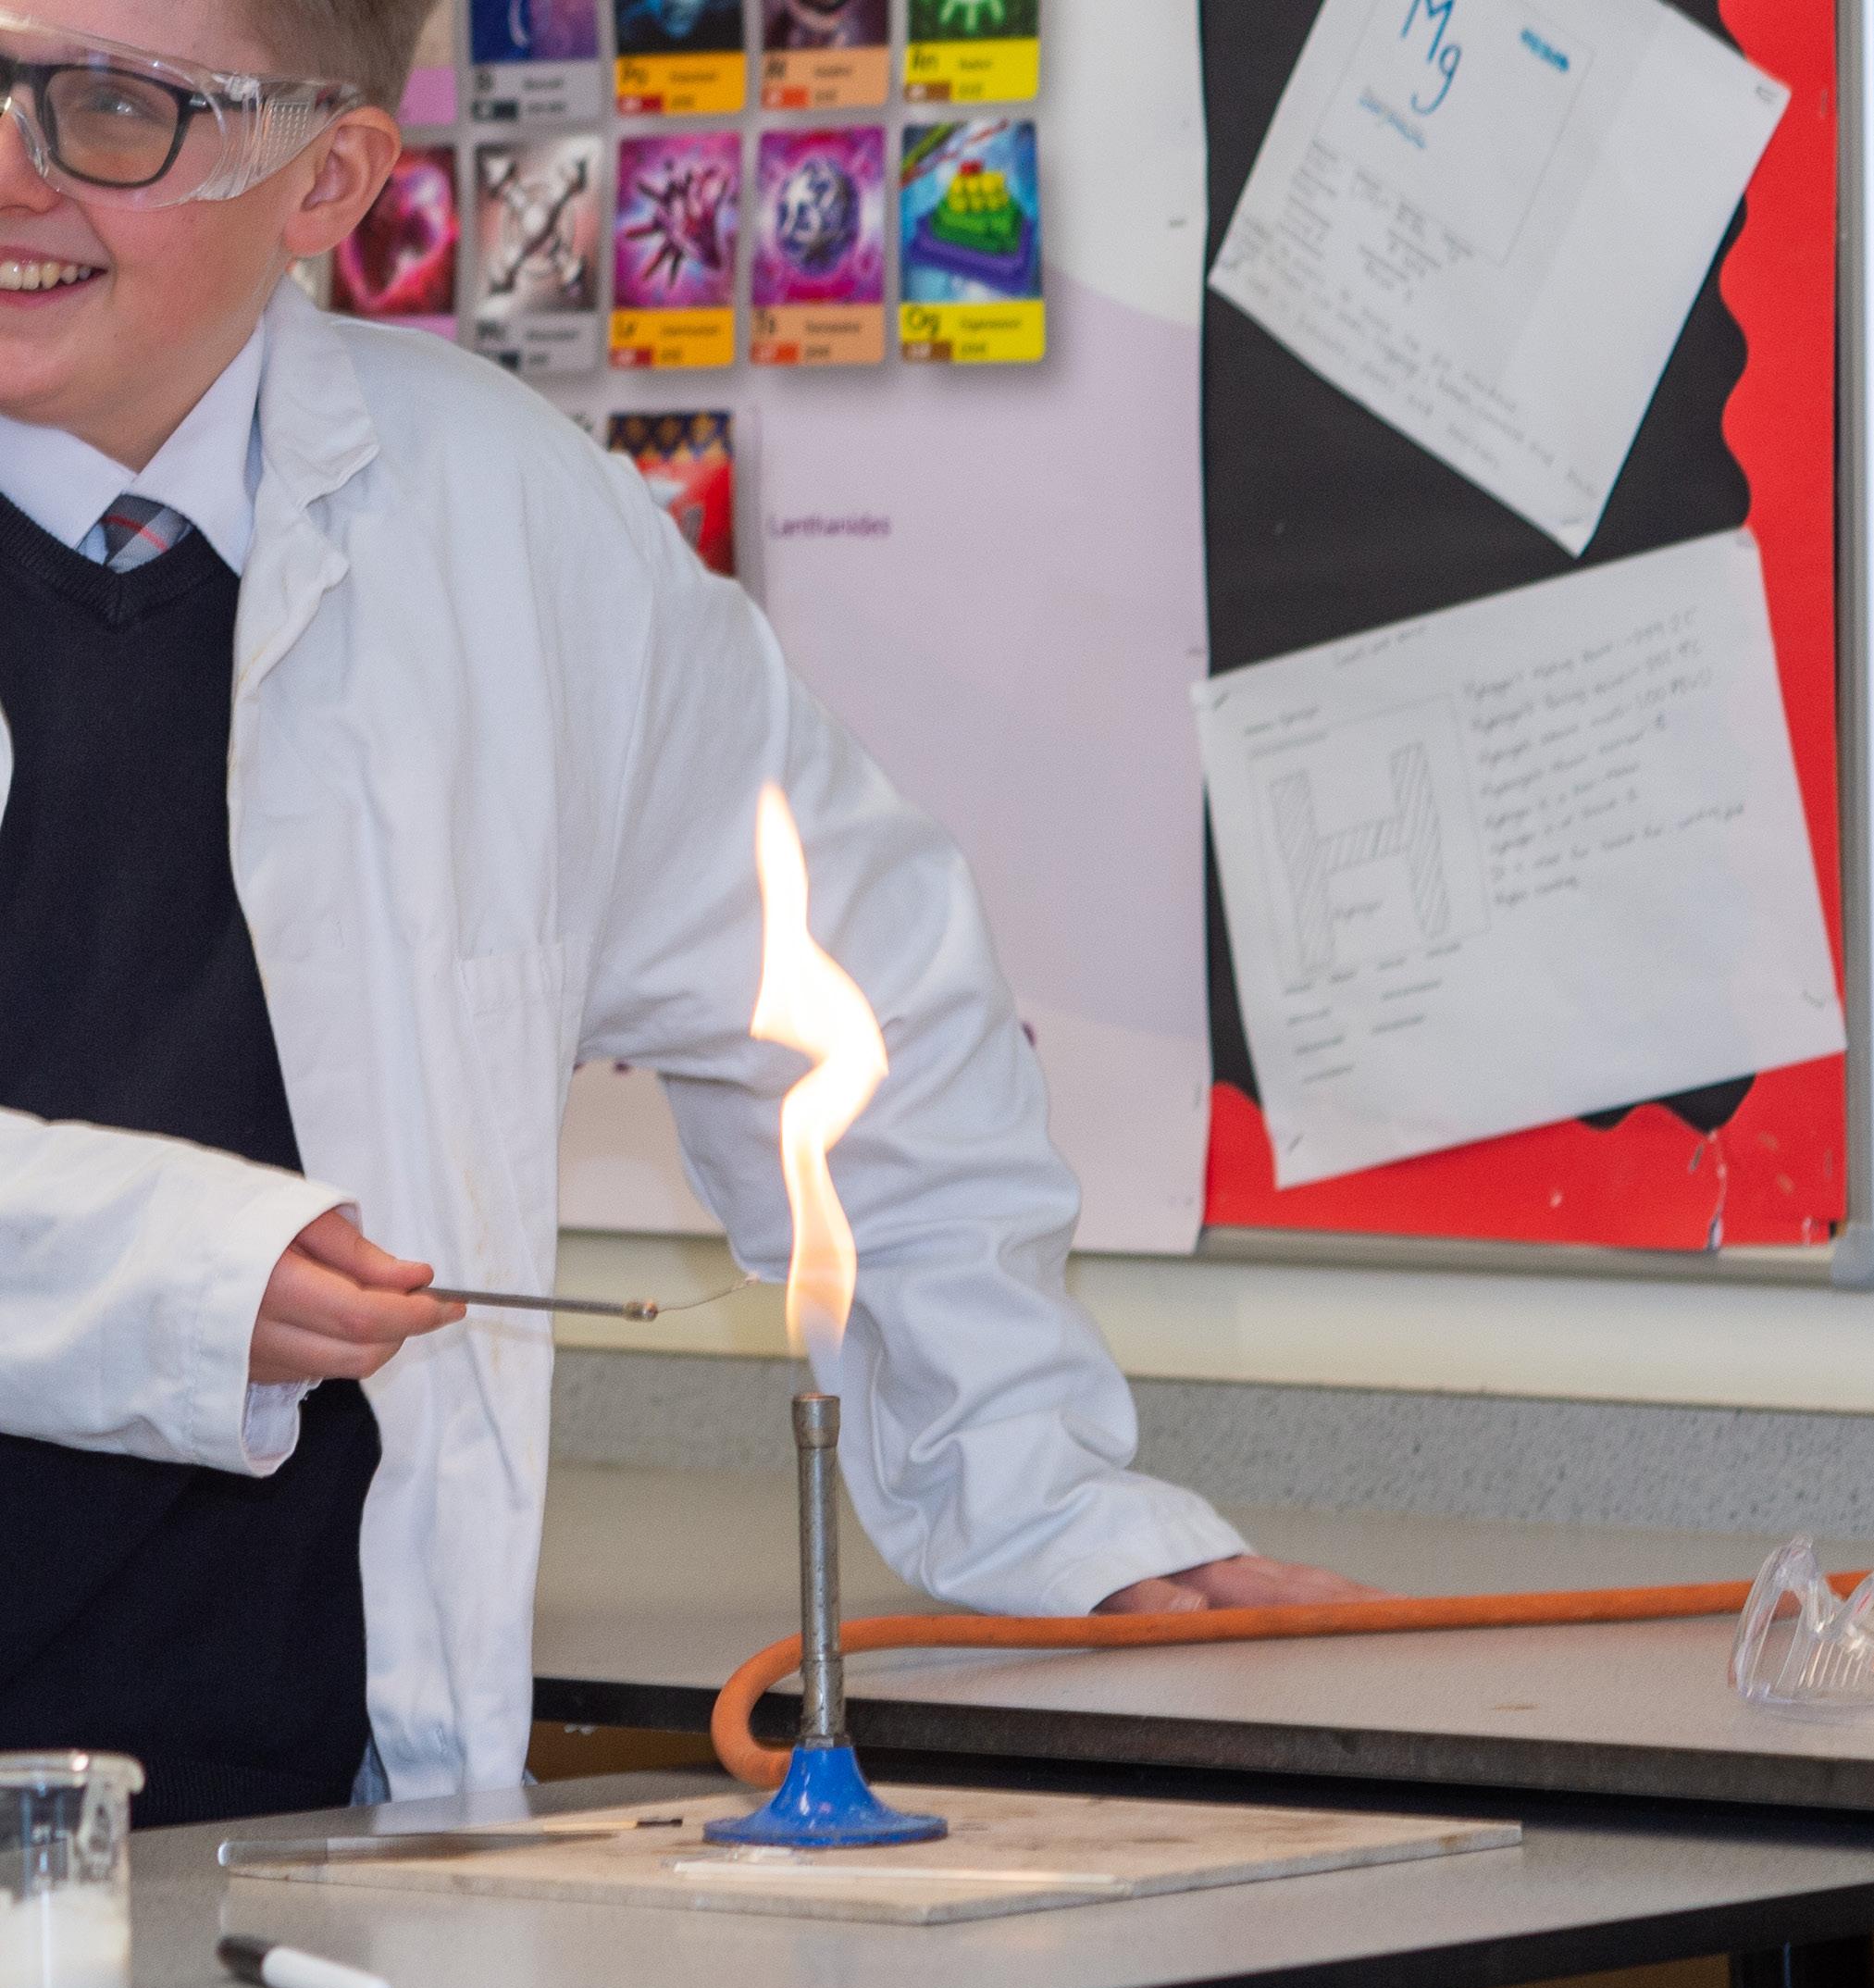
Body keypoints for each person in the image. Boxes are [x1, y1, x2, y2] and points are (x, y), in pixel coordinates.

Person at [0, 0, 1375, 1829]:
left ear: (327, 177)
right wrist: (177, 1271)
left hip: (281, 1826)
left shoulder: (500, 525)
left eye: (112, 107)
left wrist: (1049, 1506)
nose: (9, 170)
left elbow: (867, 1008)